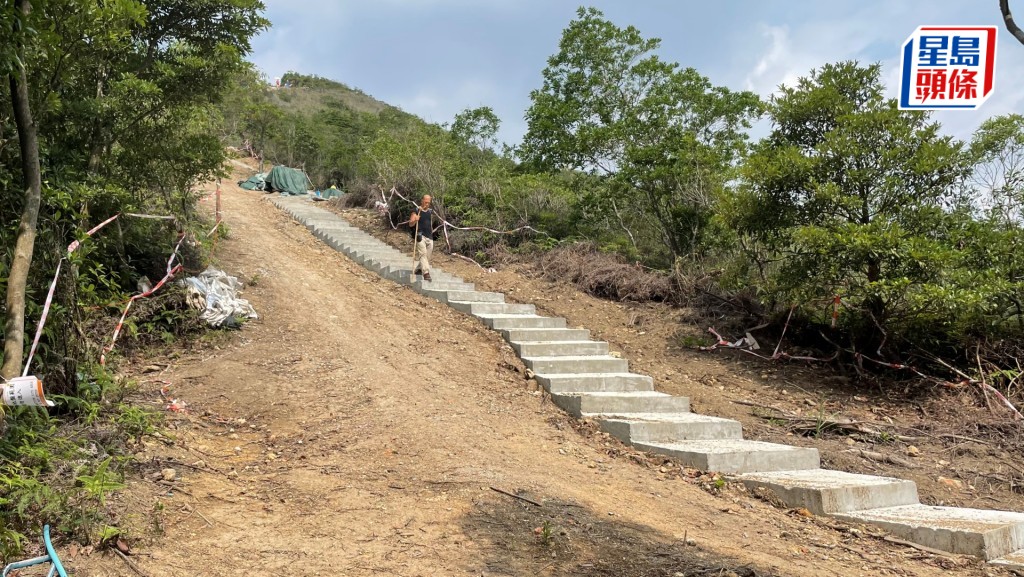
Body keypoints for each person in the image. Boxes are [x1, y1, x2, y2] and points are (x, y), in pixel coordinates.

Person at [408, 195, 435, 282]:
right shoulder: (416, 210)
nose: (427, 204)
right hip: (420, 236)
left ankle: (419, 269)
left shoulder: (430, 212)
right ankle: (426, 273)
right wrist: (415, 220)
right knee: (423, 254)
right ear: (422, 201)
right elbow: (410, 224)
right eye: (425, 202)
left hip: (429, 236)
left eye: (428, 202)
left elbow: (430, 224)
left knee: (428, 256)